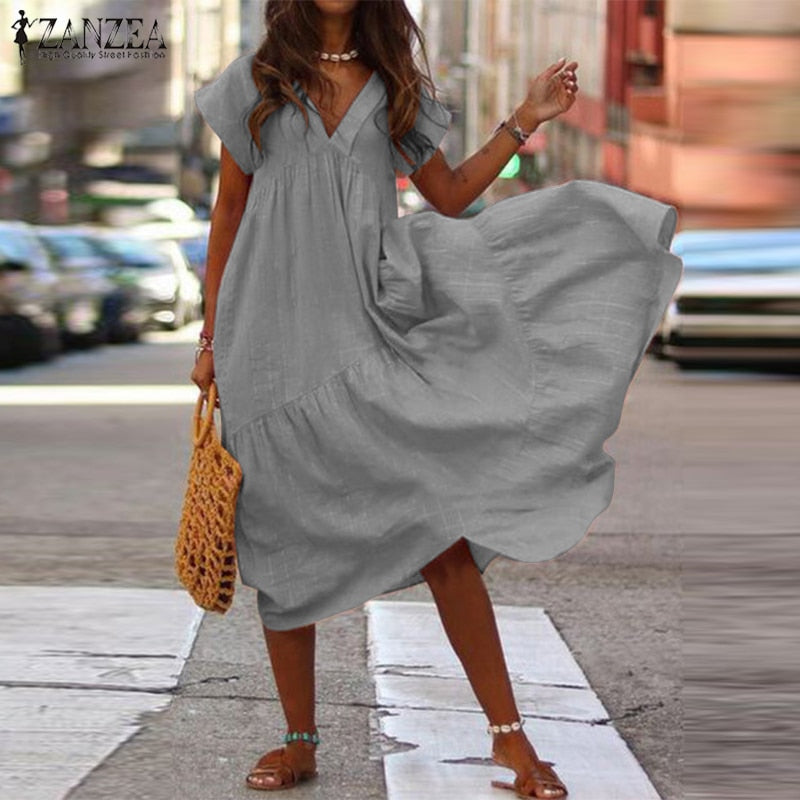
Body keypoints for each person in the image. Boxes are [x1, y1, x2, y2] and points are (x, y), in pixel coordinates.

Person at [190, 1, 682, 796]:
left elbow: (449, 196)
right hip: (268, 343)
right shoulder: (257, 80)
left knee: (439, 525)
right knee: (280, 541)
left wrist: (523, 119)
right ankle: (299, 740)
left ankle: (511, 742)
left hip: (368, 336)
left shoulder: (395, 86)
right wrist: (214, 341)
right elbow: (229, 212)